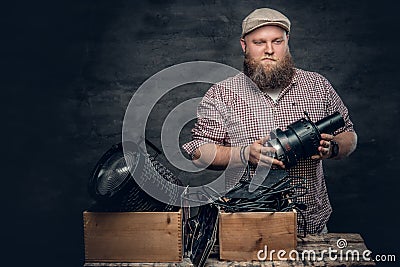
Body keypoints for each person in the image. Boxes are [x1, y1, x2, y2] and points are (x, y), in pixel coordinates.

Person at [182, 7, 357, 234]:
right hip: (247, 227)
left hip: (310, 226)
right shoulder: (222, 93)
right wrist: (245, 154)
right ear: (244, 45)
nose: (269, 50)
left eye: (277, 41)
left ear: (287, 42)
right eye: (259, 42)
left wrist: (332, 148)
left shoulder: (317, 86)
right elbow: (198, 152)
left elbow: (349, 135)